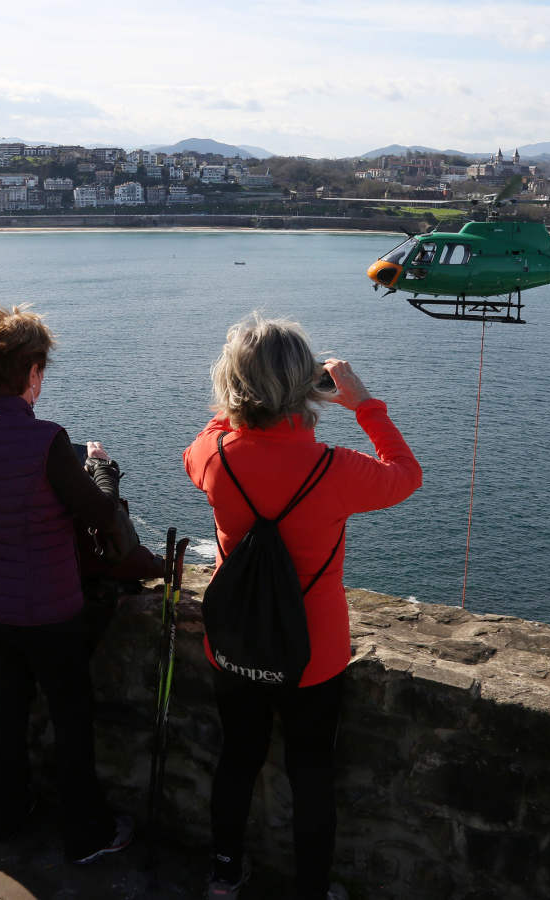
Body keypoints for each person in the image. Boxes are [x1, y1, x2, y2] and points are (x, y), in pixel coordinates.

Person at [183, 313, 422, 900]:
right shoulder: (334, 470)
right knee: (311, 772)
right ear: (305, 386)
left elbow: (208, 437)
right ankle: (310, 891)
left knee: (237, 758)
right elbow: (406, 475)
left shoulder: (213, 457)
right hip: (313, 655)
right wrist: (363, 403)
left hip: (232, 644)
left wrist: (242, 406)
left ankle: (223, 872)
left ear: (232, 382)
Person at [0, 305, 132, 865]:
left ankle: (8, 814)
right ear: (34, 371)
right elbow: (100, 514)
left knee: (6, 709)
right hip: (47, 607)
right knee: (71, 718)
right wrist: (102, 467)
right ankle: (85, 832)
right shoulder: (46, 440)